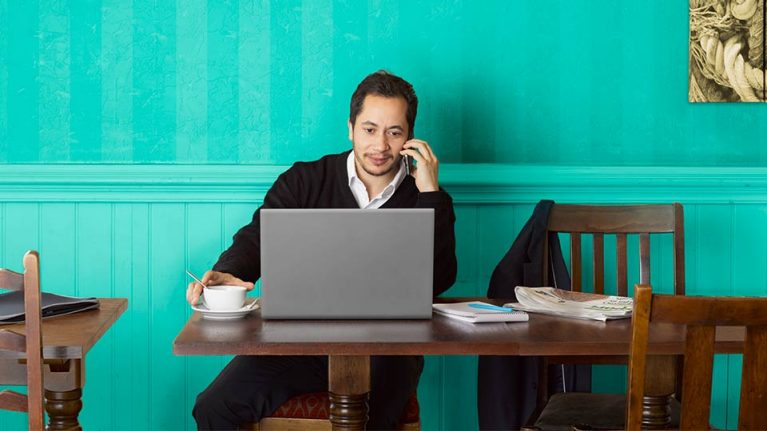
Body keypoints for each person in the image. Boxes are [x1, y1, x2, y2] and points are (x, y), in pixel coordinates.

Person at [187, 70, 458, 430]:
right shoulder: (304, 180)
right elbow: (258, 236)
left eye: (394, 132)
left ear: (409, 137)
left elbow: (440, 278)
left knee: (373, 420)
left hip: (390, 349)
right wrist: (231, 270)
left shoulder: (425, 196)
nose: (380, 145)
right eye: (369, 129)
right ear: (350, 128)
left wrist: (431, 194)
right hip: (302, 343)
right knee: (214, 406)